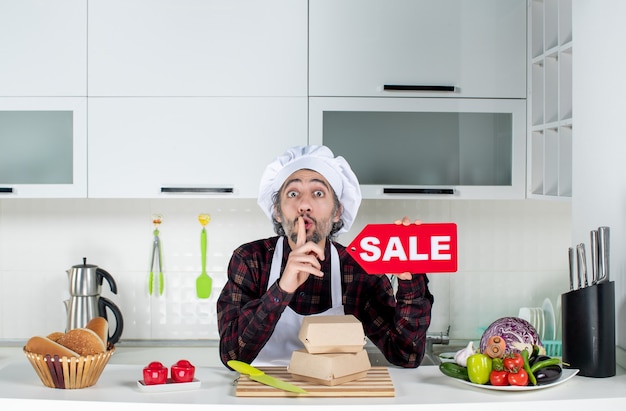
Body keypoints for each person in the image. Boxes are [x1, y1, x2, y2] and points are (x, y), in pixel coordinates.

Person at [217, 145, 433, 368]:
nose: (304, 205)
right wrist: (282, 290)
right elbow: (232, 356)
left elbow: (406, 355)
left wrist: (410, 281)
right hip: (263, 396)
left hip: (335, 397)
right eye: (293, 193)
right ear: (277, 211)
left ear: (337, 211)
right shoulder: (251, 260)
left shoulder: (359, 269)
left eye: (318, 193)